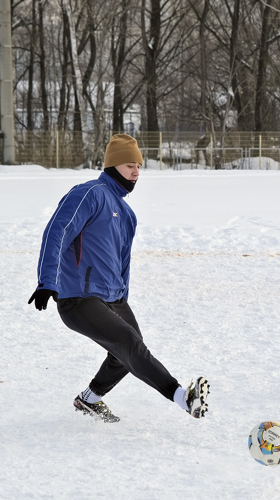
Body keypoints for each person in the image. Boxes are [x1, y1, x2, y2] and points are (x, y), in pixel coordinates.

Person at [28, 134, 209, 422]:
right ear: (112, 166)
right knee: (127, 342)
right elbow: (57, 232)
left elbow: (122, 260)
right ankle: (181, 397)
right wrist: (47, 281)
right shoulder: (89, 193)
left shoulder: (127, 213)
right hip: (78, 297)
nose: (136, 172)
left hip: (112, 297)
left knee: (128, 351)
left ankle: (90, 399)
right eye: (129, 165)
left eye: (139, 166)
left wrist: (122, 296)